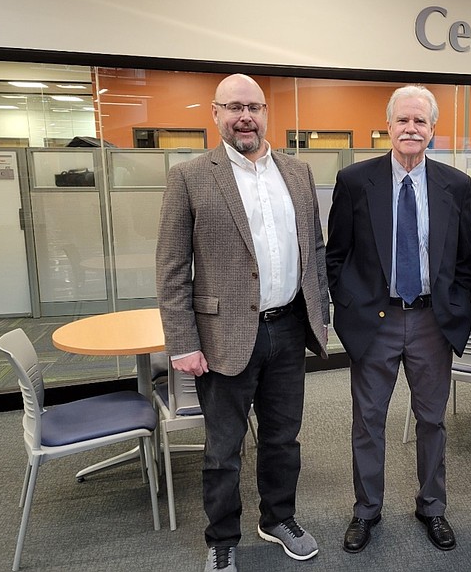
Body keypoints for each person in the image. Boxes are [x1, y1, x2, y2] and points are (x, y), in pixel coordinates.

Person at [156, 74, 329, 572]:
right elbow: (171, 268)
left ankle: (278, 519)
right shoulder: (189, 176)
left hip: (288, 328)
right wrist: (182, 342)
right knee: (223, 448)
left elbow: (313, 251)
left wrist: (319, 315)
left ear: (266, 113)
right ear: (215, 113)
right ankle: (222, 536)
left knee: (282, 438)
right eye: (234, 106)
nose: (245, 116)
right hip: (221, 336)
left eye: (253, 106)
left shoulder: (296, 173)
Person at [326, 85, 471, 554]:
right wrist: (350, 308)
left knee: (432, 420)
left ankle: (432, 506)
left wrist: (456, 304)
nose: (412, 129)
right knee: (369, 421)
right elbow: (336, 256)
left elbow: (464, 257)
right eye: (403, 121)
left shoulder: (456, 184)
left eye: (421, 121)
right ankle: (366, 510)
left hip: (432, 320)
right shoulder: (355, 181)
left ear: (433, 129)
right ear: (388, 126)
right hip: (376, 320)